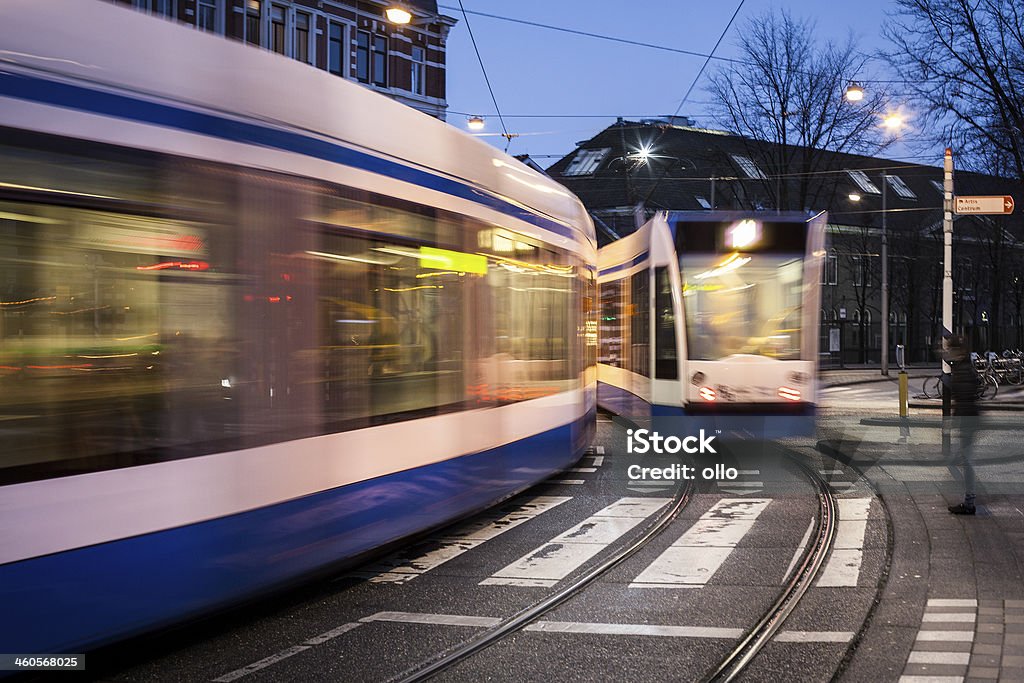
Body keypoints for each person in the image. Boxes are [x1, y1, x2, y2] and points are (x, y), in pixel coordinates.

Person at [946, 335, 979, 515]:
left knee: (966, 461)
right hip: (968, 418)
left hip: (968, 420)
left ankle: (969, 502)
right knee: (959, 460)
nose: (948, 353)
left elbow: (964, 398)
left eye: (950, 349)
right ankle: (969, 495)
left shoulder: (963, 370)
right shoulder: (962, 367)